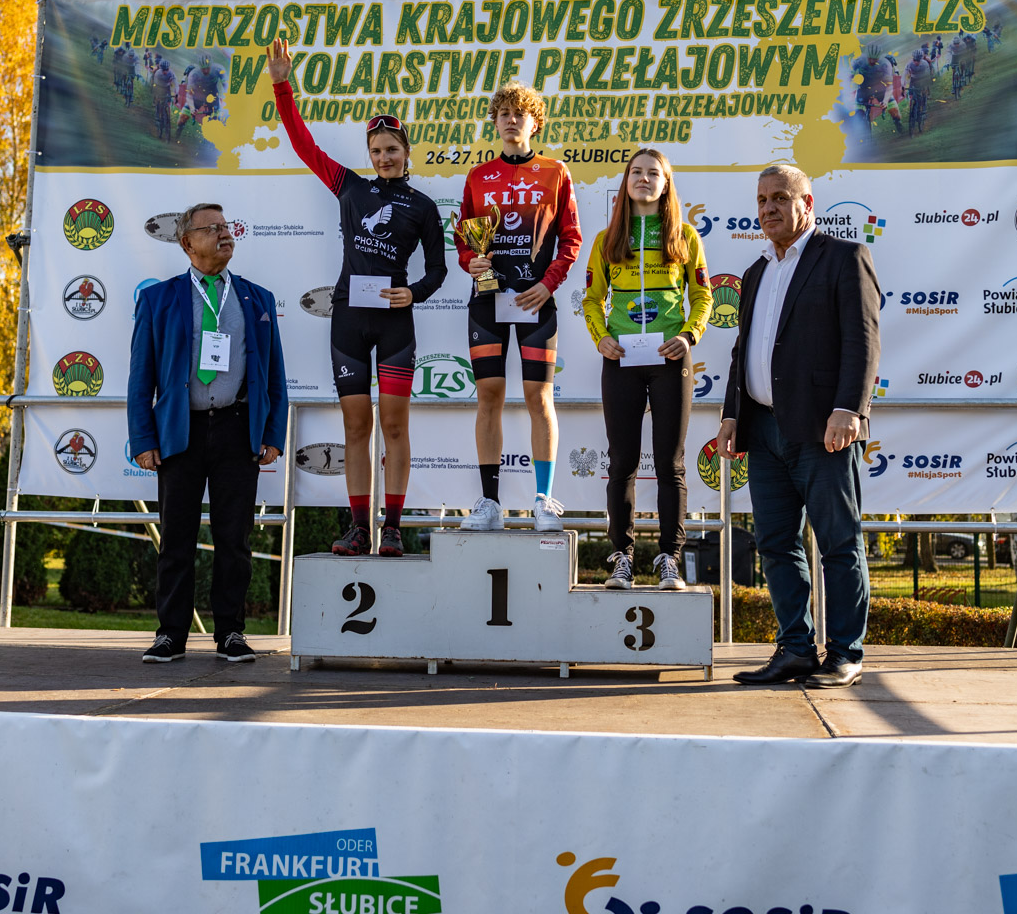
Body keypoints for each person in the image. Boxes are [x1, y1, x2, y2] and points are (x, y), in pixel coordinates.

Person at [267, 37, 446, 557]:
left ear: (406, 152)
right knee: (355, 425)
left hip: (394, 324)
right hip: (348, 318)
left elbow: (438, 271)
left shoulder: (423, 206)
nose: (384, 157)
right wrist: (282, 87)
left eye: (392, 150)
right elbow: (303, 145)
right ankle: (359, 528)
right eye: (376, 151)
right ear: (369, 156)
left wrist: (412, 293)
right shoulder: (350, 187)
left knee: (394, 426)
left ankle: (393, 527)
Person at [718, 164, 880, 689]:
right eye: (762, 200)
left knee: (838, 542)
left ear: (807, 203)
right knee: (775, 543)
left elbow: (863, 340)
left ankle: (845, 654)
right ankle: (795, 649)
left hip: (821, 429)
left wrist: (849, 408)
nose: (768, 208)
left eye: (780, 198)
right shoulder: (755, 272)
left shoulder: (844, 257)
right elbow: (743, 350)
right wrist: (731, 414)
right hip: (763, 431)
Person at [128, 203, 288, 665]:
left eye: (226, 226)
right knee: (176, 538)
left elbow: (274, 375)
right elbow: (140, 378)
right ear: (187, 243)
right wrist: (143, 439)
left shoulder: (258, 299)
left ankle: (231, 633)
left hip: (238, 430)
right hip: (180, 432)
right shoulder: (158, 299)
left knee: (234, 539)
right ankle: (170, 635)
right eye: (212, 228)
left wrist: (273, 433)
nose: (224, 233)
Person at [582, 149, 713, 590]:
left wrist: (689, 336)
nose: (644, 178)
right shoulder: (607, 239)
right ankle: (621, 558)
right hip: (621, 358)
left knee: (670, 464)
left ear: (666, 182)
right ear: (626, 181)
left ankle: (669, 560)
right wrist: (601, 337)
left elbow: (703, 296)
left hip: (670, 358)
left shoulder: (685, 236)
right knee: (622, 461)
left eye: (653, 173)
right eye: (636, 172)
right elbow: (591, 300)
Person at [456, 82, 581, 533]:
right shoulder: (478, 176)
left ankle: (543, 501)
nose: (511, 120)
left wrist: (548, 285)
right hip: (488, 300)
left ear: (535, 123)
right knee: (488, 394)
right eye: (504, 113)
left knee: (538, 396)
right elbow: (463, 240)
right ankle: (490, 503)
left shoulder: (555, 172)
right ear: (495, 122)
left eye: (520, 114)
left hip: (535, 300)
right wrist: (472, 261)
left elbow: (571, 238)